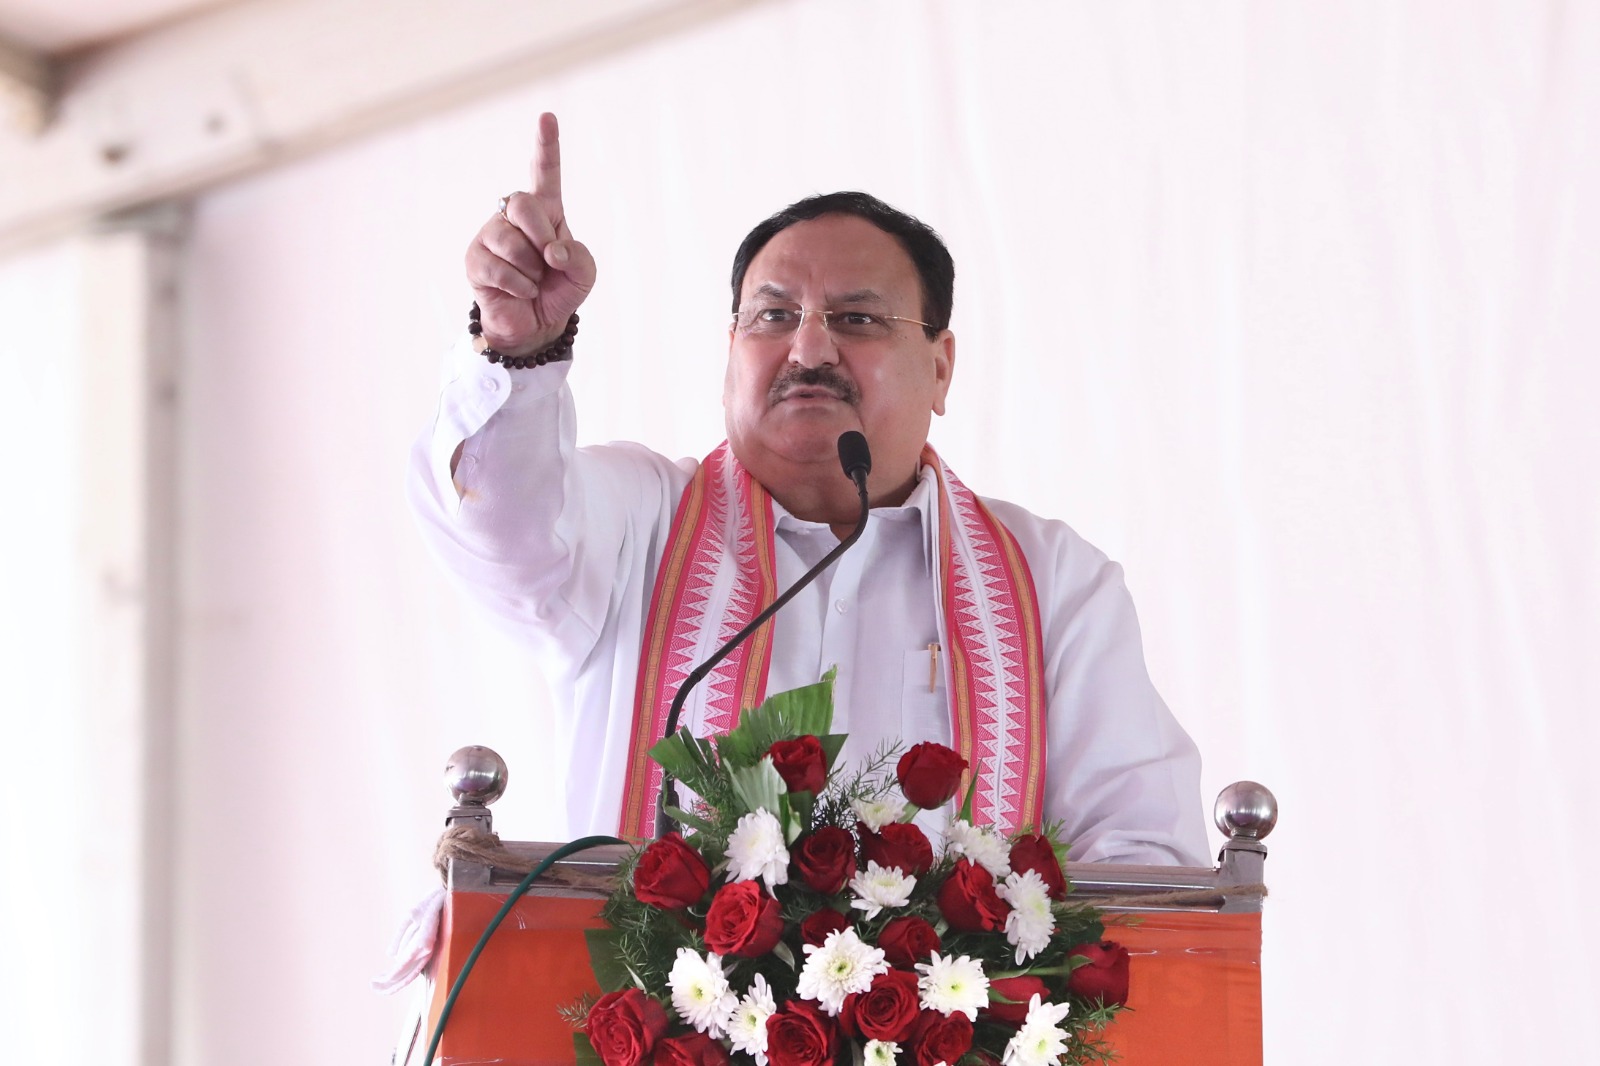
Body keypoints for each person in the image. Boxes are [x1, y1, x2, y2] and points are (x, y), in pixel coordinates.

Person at [410, 113, 1208, 866]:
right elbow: (503, 528)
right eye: (774, 316)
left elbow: (1142, 860)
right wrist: (515, 346)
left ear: (940, 367)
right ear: (731, 355)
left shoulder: (1056, 586)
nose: (809, 346)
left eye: (858, 319)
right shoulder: (637, 526)